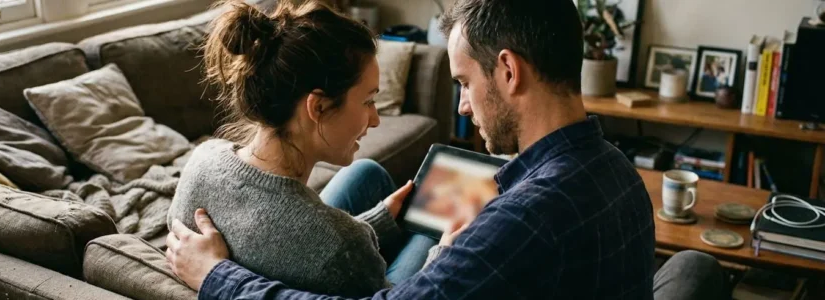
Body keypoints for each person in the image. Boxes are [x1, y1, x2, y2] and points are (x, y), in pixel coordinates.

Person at [166, 0, 724, 299]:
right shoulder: (620, 172)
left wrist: (220, 278)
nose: (461, 107)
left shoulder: (521, 222)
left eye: (462, 82)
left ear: (507, 71)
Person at [166, 0, 437, 298]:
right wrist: (445, 253)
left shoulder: (203, 157)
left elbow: (283, 244)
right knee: (434, 228)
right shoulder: (343, 247)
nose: (375, 120)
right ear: (317, 106)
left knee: (367, 171)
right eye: (368, 101)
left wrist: (377, 222)